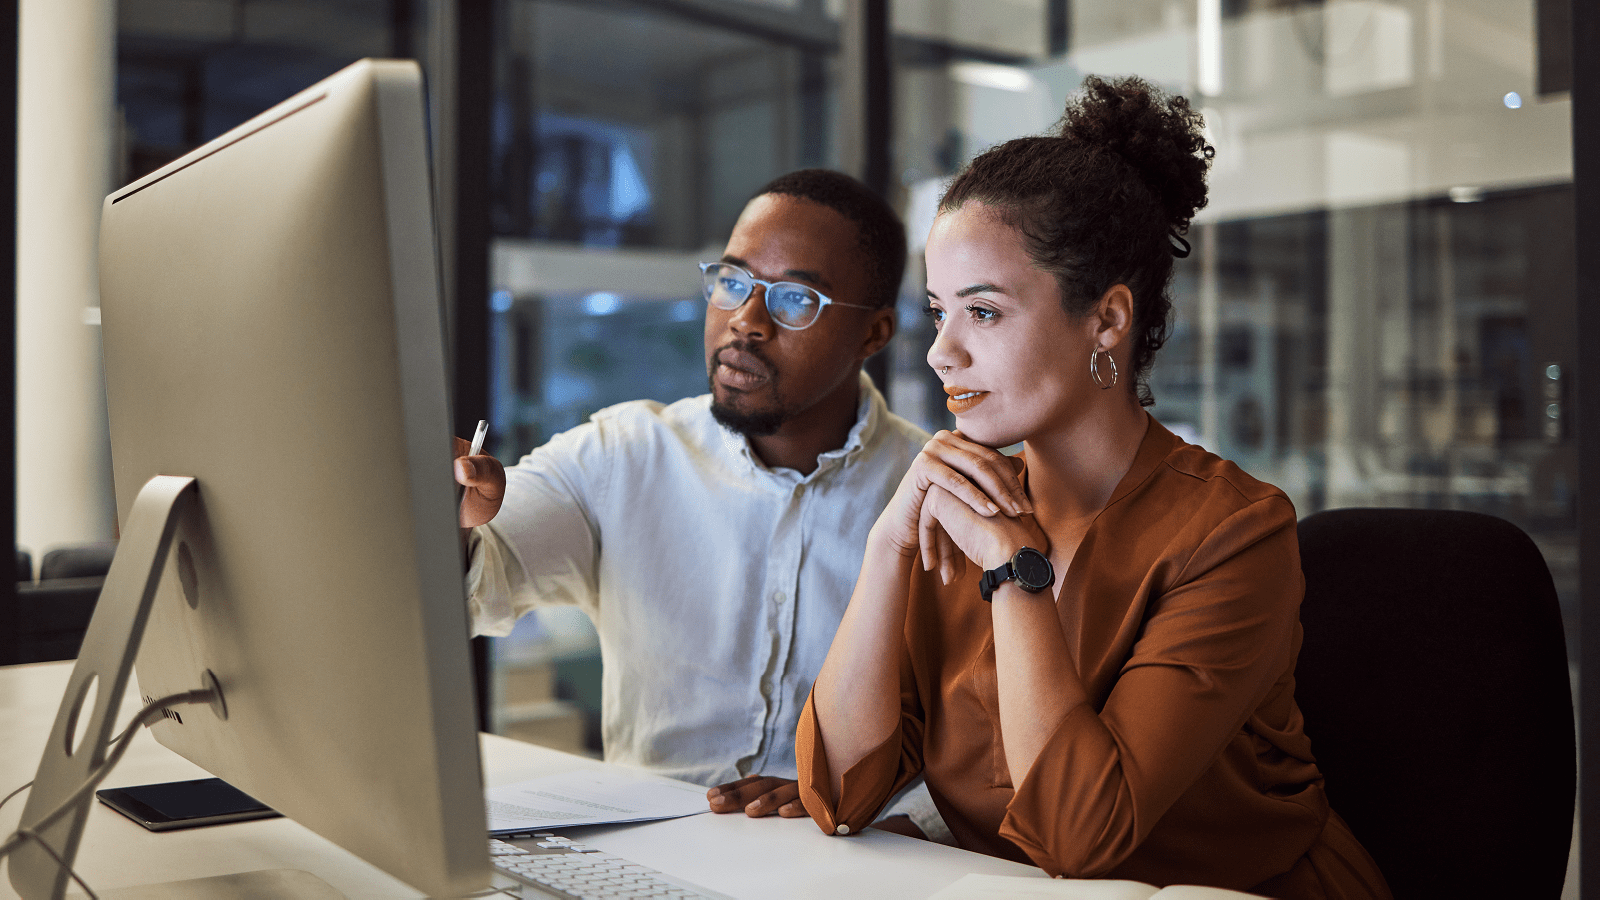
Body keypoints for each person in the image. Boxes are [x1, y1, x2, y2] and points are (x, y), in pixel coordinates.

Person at [795, 77, 1393, 898]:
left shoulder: (1233, 532)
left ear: (1107, 320)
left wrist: (1015, 571)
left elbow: (1081, 834)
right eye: (939, 312)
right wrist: (887, 546)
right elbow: (838, 793)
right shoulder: (956, 509)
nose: (942, 354)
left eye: (986, 313)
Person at [453, 169, 944, 837]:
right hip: (645, 851)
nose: (745, 320)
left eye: (796, 298)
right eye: (734, 281)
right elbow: (475, 589)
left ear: (875, 334)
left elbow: (980, 747)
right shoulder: (625, 453)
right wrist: (451, 519)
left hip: (850, 857)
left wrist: (873, 804)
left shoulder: (935, 497)